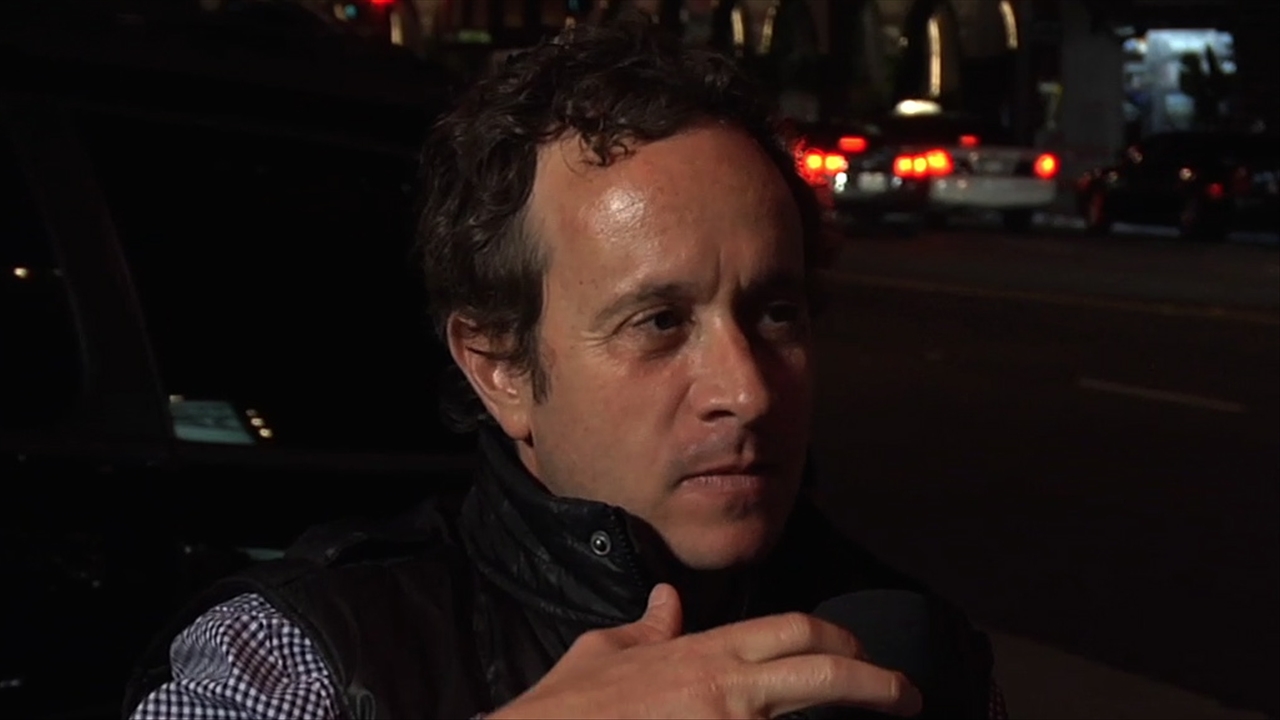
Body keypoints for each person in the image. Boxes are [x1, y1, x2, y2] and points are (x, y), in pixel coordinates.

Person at [124, 17, 1006, 720]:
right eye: (659, 323)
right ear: (500, 368)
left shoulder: (912, 651)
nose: (747, 390)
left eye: (776, 313)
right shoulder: (309, 656)